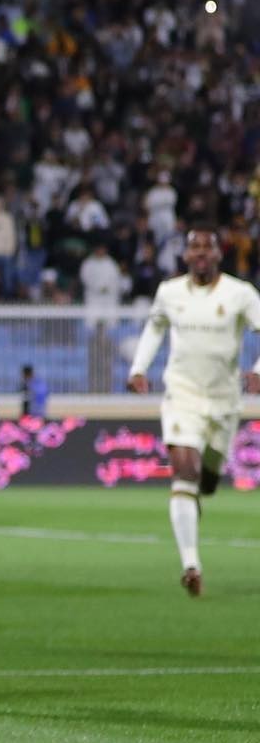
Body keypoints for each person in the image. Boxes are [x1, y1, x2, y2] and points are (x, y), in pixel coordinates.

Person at [126, 227, 260, 596]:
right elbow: (154, 330)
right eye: (194, 248)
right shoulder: (169, 293)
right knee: (184, 471)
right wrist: (138, 369)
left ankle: (202, 487)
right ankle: (191, 564)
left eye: (207, 247)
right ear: (185, 256)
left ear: (219, 254)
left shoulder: (240, 294)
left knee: (208, 482)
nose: (200, 253)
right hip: (181, 395)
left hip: (224, 403)